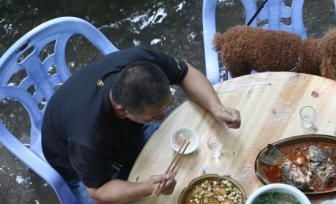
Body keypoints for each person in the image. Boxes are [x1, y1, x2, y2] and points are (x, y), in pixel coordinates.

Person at [41, 46, 241, 203]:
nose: (163, 118)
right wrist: (146, 187)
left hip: (110, 123)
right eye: (153, 117)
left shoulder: (141, 61)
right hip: (72, 159)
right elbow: (98, 190)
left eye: (163, 109)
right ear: (122, 110)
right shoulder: (88, 138)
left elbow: (185, 73)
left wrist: (216, 107)